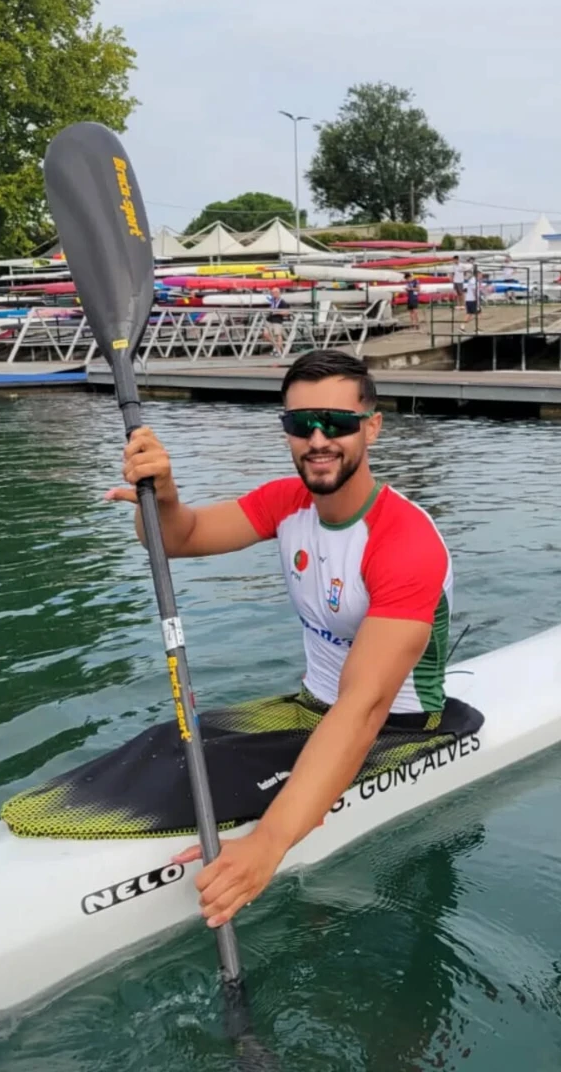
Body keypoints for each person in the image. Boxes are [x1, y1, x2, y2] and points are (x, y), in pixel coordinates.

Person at [105, 350, 455, 927]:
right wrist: (162, 496)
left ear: (371, 427)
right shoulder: (287, 502)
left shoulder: (403, 541)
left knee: (195, 777)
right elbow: (177, 538)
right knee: (161, 745)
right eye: (300, 423)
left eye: (337, 423)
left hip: (395, 725)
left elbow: (364, 706)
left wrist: (268, 844)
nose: (318, 440)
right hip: (311, 707)